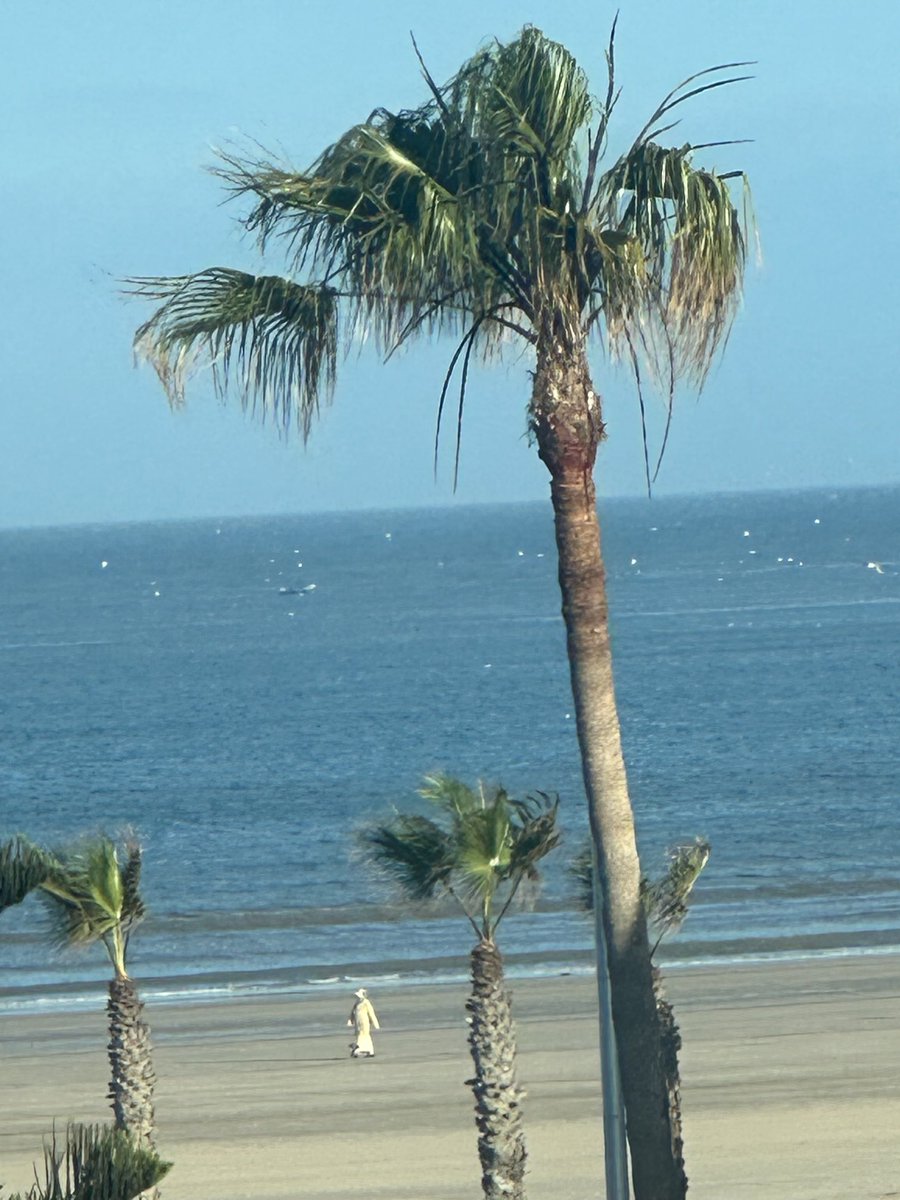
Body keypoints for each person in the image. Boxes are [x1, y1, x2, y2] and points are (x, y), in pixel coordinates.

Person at [347, 987, 380, 1058]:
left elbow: (371, 1013)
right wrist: (350, 1021)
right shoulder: (356, 1003)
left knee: (365, 1036)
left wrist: (375, 1024)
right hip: (357, 1023)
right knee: (359, 1035)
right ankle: (360, 1050)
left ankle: (368, 1050)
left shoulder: (366, 1002)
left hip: (364, 1022)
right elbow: (352, 1013)